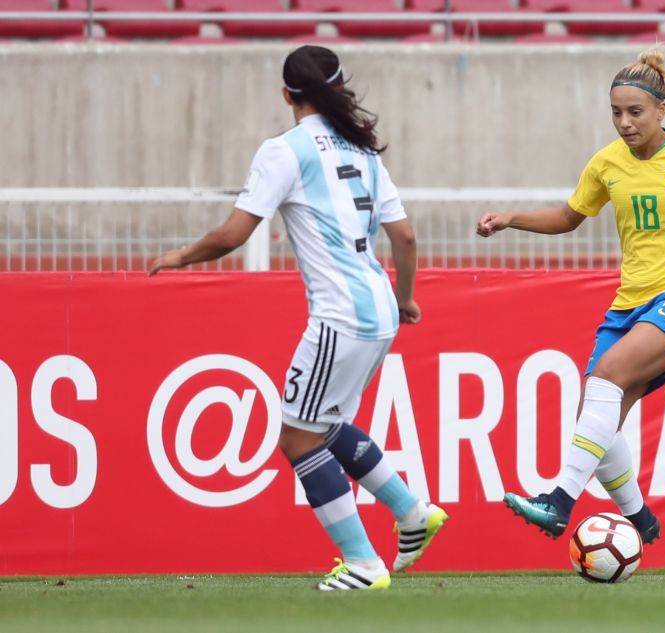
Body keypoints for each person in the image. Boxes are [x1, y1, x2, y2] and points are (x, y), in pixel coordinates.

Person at [149, 45, 448, 591]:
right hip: (379, 307)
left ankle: (363, 563)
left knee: (297, 440)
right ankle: (411, 512)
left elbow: (234, 233)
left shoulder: (284, 151)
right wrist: (405, 298)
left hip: (340, 315)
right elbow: (403, 237)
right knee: (326, 425)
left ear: (286, 94)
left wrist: (179, 256)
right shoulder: (365, 151)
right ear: (337, 87)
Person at [477, 49, 665, 544]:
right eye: (615, 112)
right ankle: (641, 521)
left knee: (606, 379)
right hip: (631, 303)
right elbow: (569, 218)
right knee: (601, 414)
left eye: (635, 112)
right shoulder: (606, 164)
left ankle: (559, 501)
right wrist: (509, 219)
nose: (624, 123)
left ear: (661, 111)